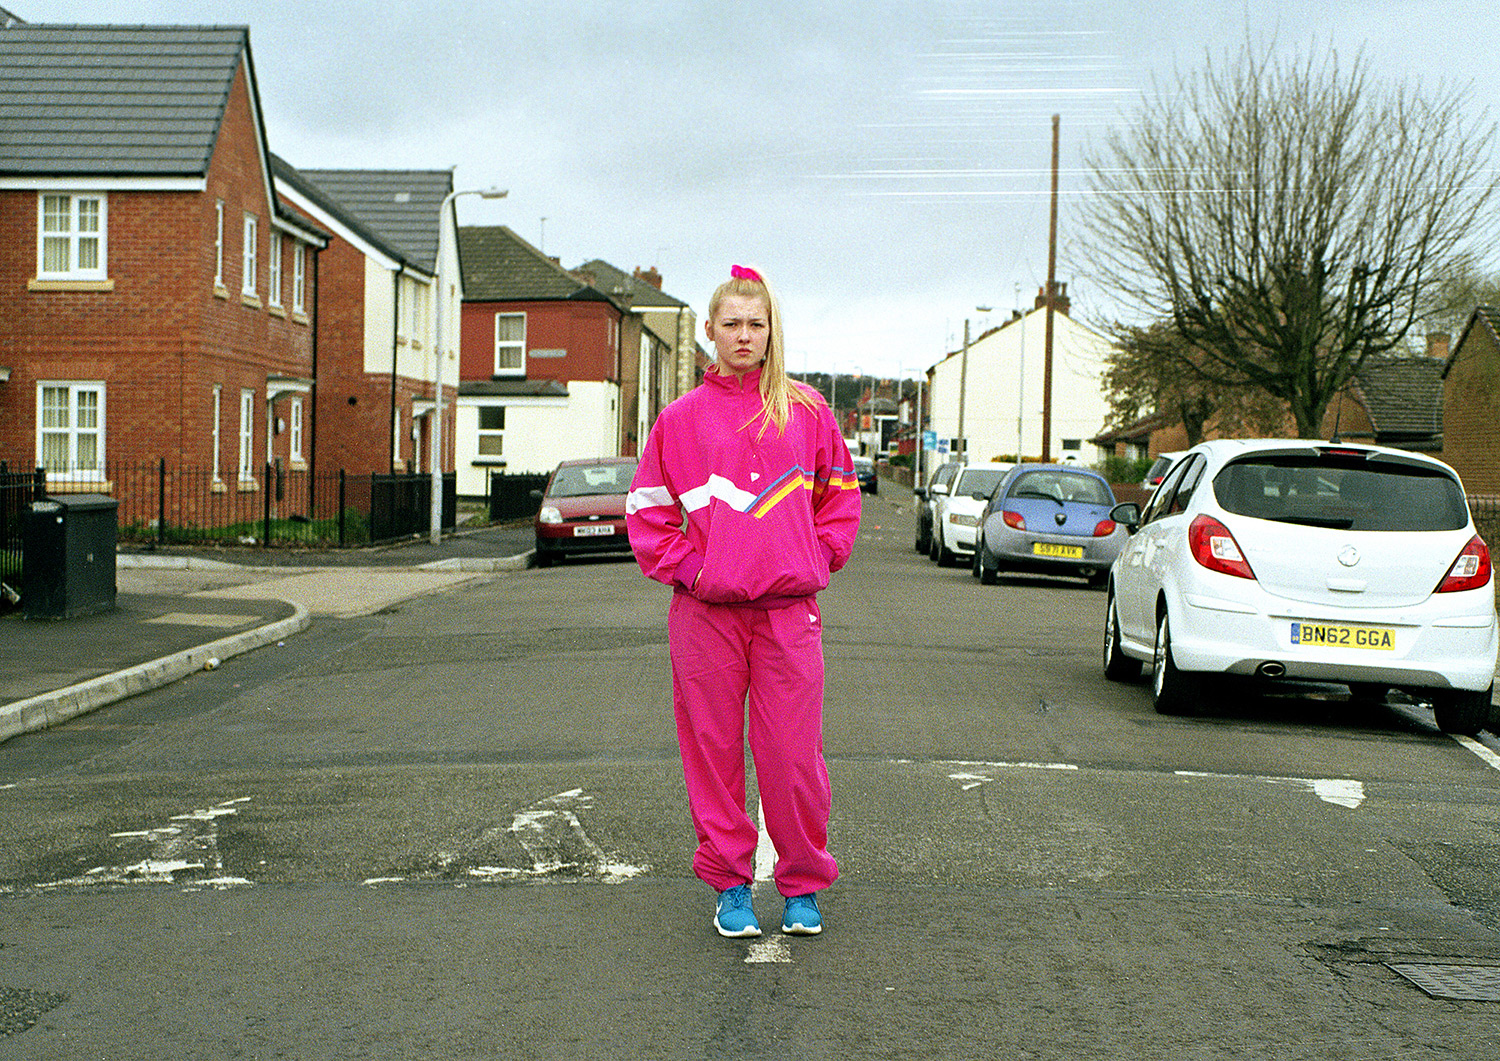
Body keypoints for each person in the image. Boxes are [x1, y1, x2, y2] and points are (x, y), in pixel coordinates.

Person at [625, 264, 861, 938]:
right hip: (705, 616)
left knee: (792, 756)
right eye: (732, 323)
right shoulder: (680, 420)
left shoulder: (808, 410)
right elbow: (648, 515)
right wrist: (697, 571)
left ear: (771, 330)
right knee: (714, 752)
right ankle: (730, 883)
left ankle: (803, 884)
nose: (744, 335)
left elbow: (840, 501)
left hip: (789, 614)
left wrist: (815, 557)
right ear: (710, 331)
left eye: (756, 323)